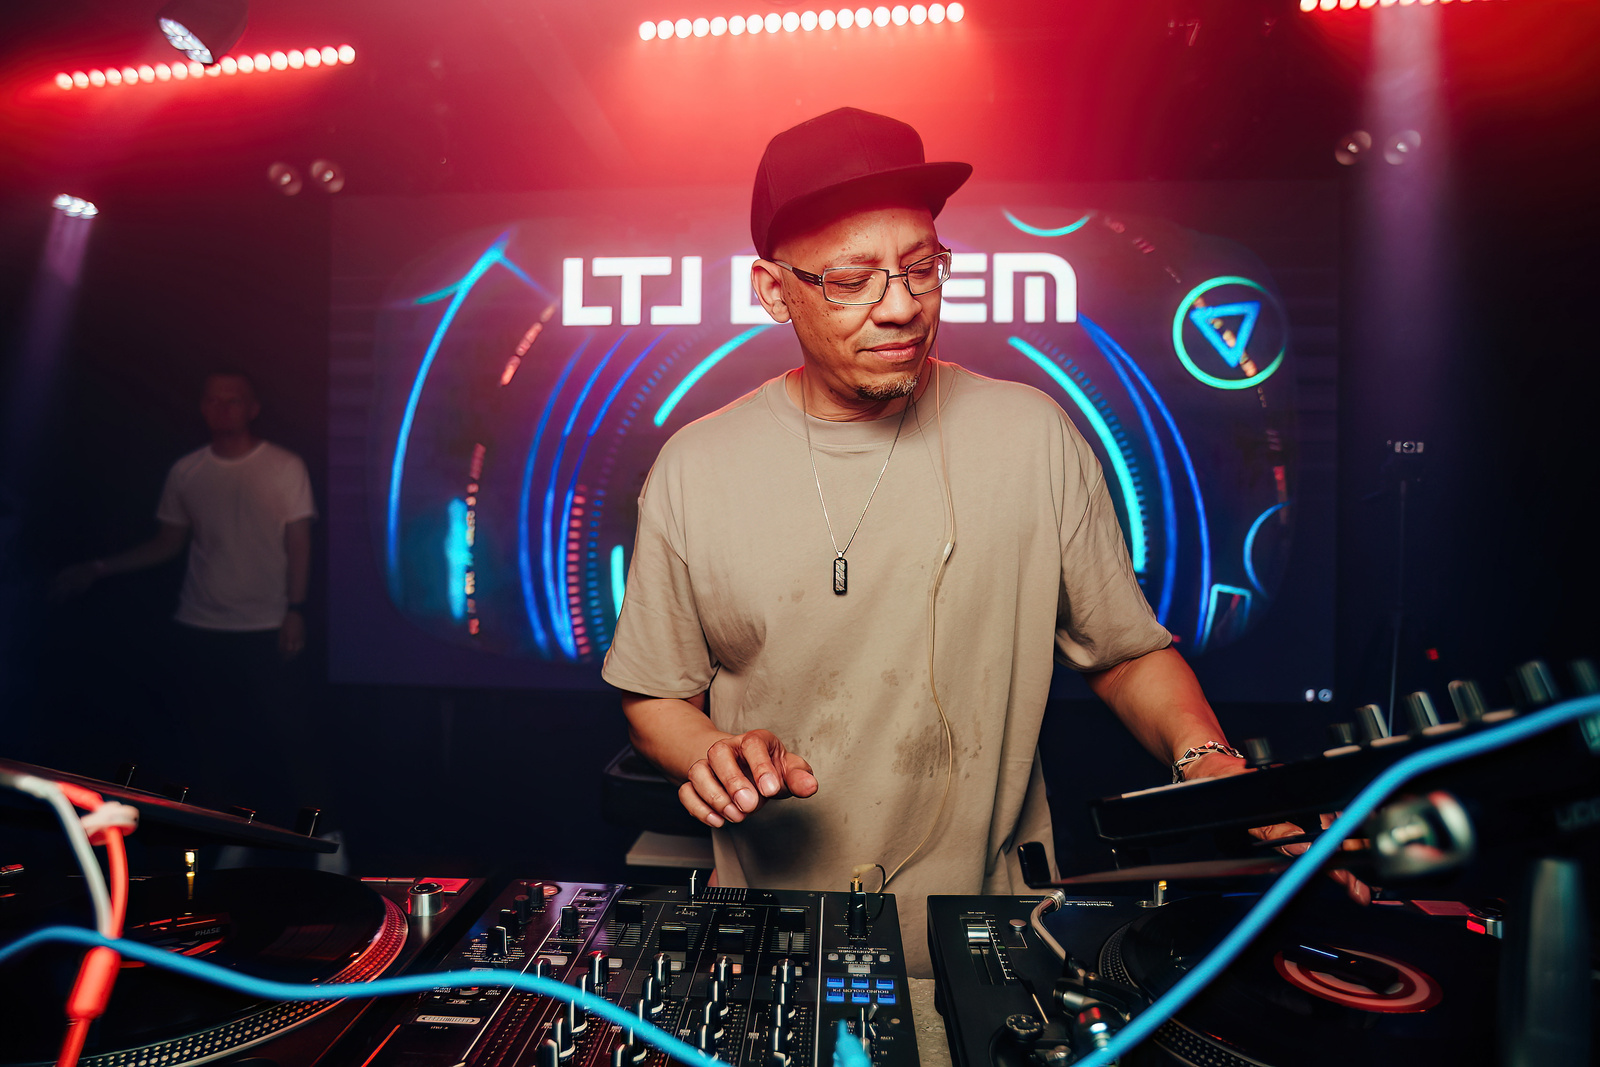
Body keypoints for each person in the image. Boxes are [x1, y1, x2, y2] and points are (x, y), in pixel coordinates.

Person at [603, 108, 1352, 976]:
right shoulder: (696, 467)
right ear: (774, 291)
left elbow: (1124, 653)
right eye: (852, 280)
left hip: (996, 935)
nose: (901, 307)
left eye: (922, 268)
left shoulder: (1033, 435)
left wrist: (1207, 759)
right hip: (779, 939)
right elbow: (655, 696)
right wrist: (711, 755)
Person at [55, 371, 316, 817]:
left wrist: (296, 608)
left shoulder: (284, 466)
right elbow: (168, 542)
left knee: (291, 738)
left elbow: (299, 541)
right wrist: (98, 568)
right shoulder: (188, 470)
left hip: (266, 625)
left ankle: (325, 835)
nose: (223, 408)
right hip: (200, 624)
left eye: (233, 400)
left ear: (253, 408)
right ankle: (228, 835)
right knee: (212, 743)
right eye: (213, 399)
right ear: (202, 407)